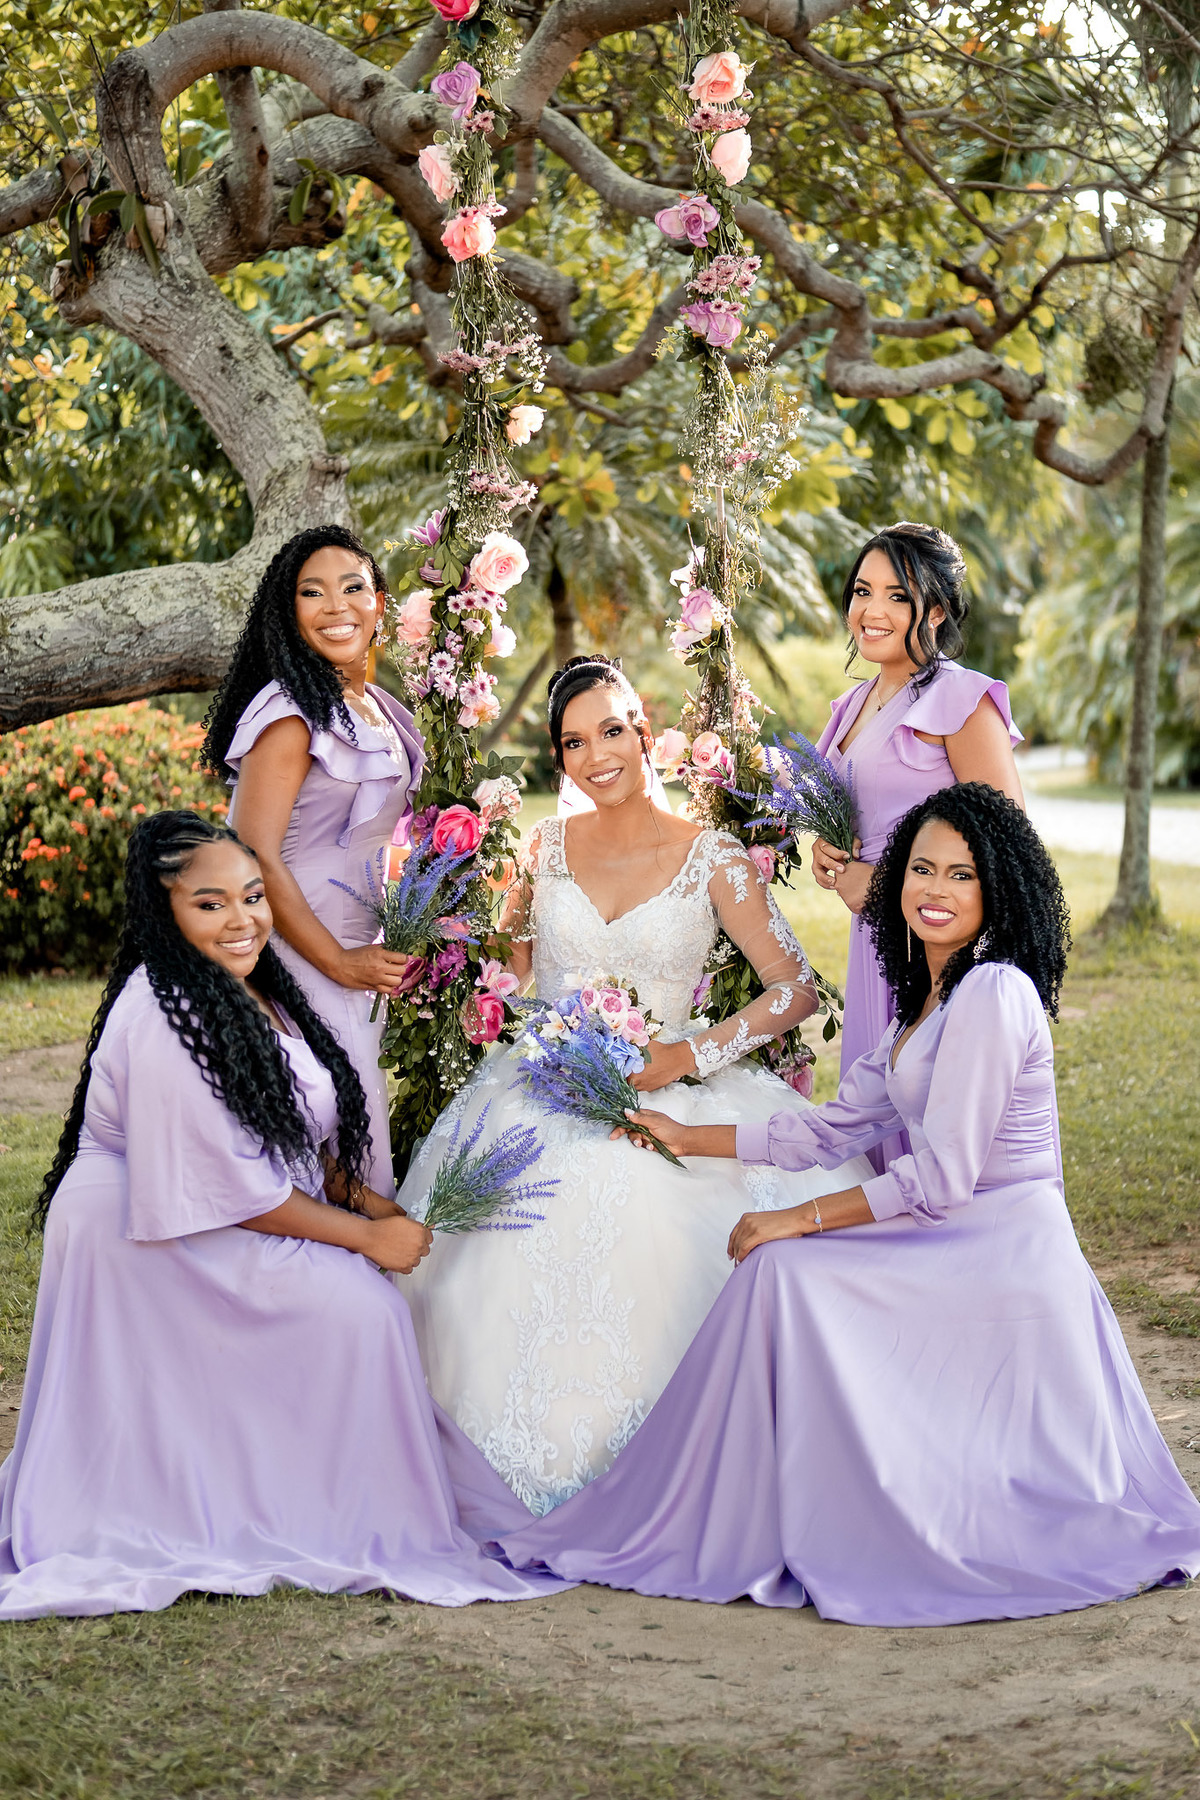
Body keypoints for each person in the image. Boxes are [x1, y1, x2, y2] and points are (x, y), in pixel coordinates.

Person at [493, 785, 1200, 1625]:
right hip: (957, 1238)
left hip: (1005, 1253)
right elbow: (824, 1131)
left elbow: (942, 1181)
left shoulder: (994, 993)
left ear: (995, 891)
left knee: (784, 1271)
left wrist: (797, 1218)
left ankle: (801, 1511)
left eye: (961, 876)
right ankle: (754, 1510)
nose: (935, 890)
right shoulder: (925, 1002)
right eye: (922, 869)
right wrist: (688, 1139)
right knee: (776, 1277)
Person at [0, 813, 569, 1619]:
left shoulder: (250, 983)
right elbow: (239, 1189)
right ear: (166, 912)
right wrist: (369, 1238)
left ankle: (342, 1493)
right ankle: (333, 1512)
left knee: (369, 1297)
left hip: (210, 1200)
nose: (243, 921)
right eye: (211, 904)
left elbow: (287, 1138)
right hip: (143, 1232)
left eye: (254, 896)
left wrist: (374, 1204)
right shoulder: (164, 1011)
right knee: (359, 1309)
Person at [397, 656, 872, 1516]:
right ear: (559, 758)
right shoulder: (539, 851)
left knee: (654, 1209)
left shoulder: (712, 855)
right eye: (573, 742)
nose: (596, 755)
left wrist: (687, 1056)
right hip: (544, 1085)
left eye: (611, 730)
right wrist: (533, 1023)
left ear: (643, 729)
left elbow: (794, 988)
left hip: (670, 1084)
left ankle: (672, 1465)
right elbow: (512, 978)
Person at [203, 526, 424, 1198]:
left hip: (359, 955)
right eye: (312, 592)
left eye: (354, 587)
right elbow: (252, 859)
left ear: (380, 602)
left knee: (358, 1145)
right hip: (299, 957)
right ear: (287, 611)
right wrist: (335, 962)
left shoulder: (378, 707)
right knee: (338, 1157)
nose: (337, 606)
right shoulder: (290, 715)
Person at [810, 522, 1024, 1170]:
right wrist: (829, 848)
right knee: (879, 1119)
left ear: (934, 609)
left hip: (938, 944)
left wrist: (882, 884)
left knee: (937, 1129)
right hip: (873, 946)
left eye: (896, 596)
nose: (871, 611)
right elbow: (856, 807)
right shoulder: (850, 705)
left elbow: (1008, 841)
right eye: (862, 591)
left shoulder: (960, 700)